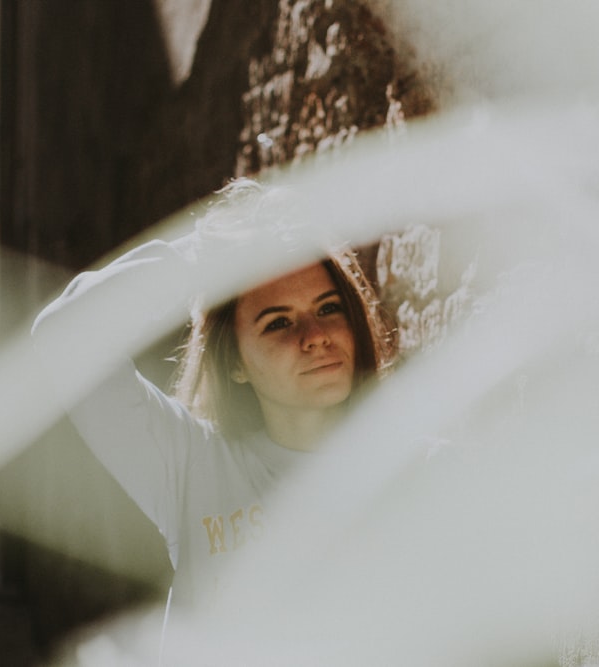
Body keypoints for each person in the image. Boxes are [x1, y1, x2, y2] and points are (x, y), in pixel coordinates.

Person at [31, 179, 392, 606]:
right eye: (278, 322)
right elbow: (66, 334)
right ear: (234, 363)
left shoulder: (419, 467)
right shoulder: (193, 467)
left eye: (329, 309)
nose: (315, 337)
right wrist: (206, 257)